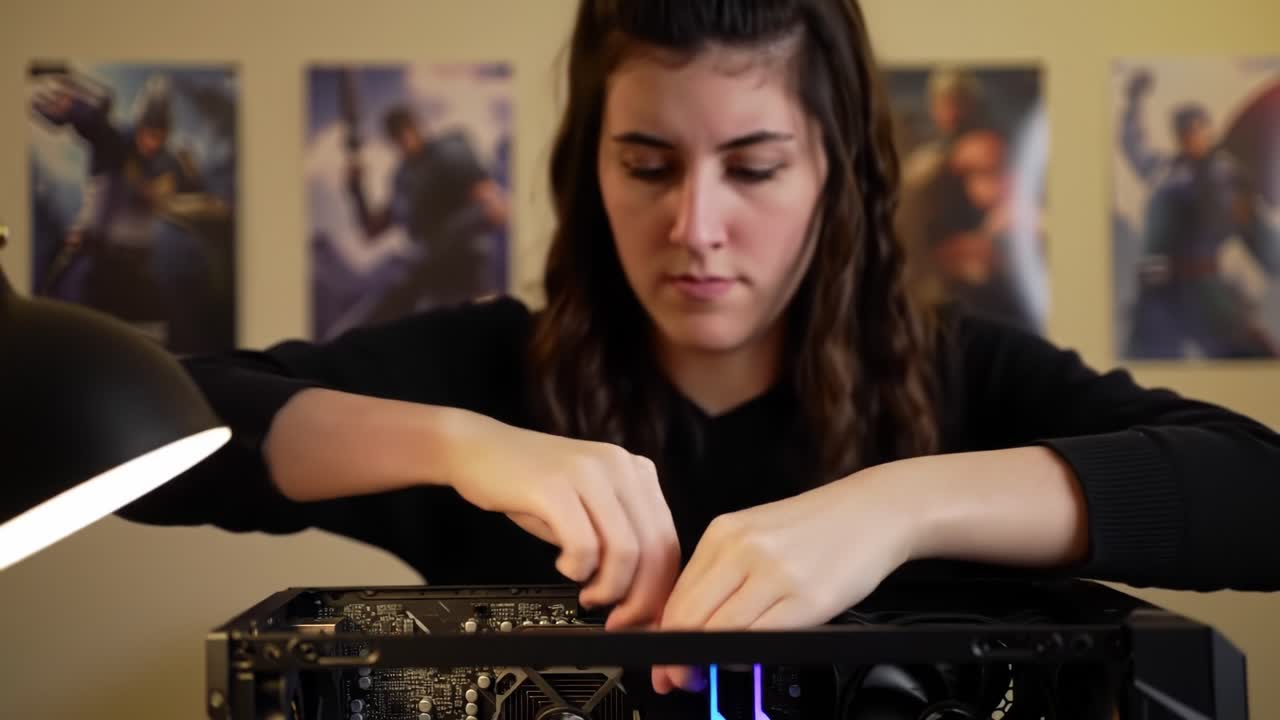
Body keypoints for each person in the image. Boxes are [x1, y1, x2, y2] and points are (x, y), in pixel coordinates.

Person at [119, 0, 1280, 698]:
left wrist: (898, 508)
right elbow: (144, 435)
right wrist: (461, 444)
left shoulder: (962, 377)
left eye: (756, 167)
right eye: (647, 165)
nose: (695, 228)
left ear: (838, 172)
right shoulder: (485, 373)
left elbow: (1256, 491)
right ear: (591, 167)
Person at [1120, 68, 1280, 358]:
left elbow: (1257, 232)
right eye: (1185, 130)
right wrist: (1134, 101)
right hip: (1160, 290)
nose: (1192, 136)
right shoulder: (1165, 170)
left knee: (1249, 355)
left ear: (1207, 130)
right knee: (1142, 364)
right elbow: (1133, 144)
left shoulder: (1227, 178)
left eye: (1197, 128)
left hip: (1205, 286)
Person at [343, 104, 510, 327]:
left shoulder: (448, 152)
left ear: (416, 127)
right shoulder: (403, 178)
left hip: (467, 267)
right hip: (431, 275)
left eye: (405, 129)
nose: (402, 139)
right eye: (395, 134)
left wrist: (489, 209)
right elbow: (372, 231)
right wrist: (357, 191)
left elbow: (492, 202)